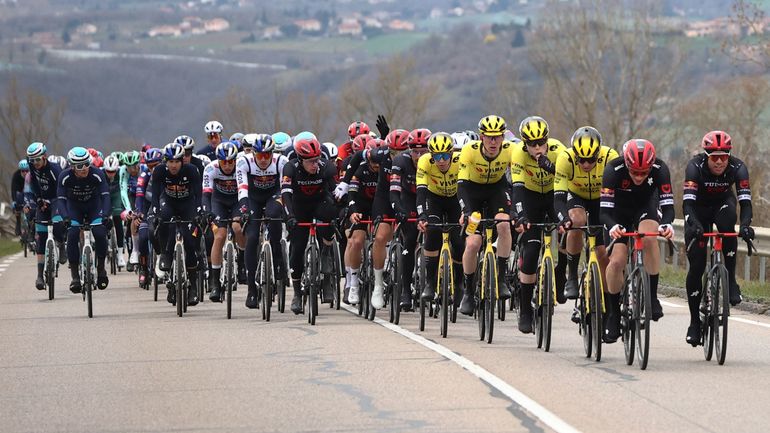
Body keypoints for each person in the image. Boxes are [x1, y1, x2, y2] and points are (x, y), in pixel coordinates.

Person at [682, 130, 754, 346]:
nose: (720, 162)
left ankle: (731, 281)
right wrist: (693, 224)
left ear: (729, 155)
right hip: (698, 211)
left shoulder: (738, 168)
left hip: (723, 205)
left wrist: (747, 225)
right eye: (715, 157)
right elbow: (687, 204)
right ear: (706, 155)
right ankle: (695, 323)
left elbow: (746, 203)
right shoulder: (695, 167)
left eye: (724, 156)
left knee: (727, 224)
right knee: (696, 265)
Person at [601, 138, 674, 343]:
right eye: (634, 172)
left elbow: (668, 208)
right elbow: (604, 212)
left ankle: (652, 297)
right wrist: (613, 226)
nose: (639, 177)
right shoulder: (613, 170)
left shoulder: (660, 169)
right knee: (616, 262)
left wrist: (666, 225)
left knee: (650, 238)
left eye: (644, 173)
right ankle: (614, 314)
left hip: (645, 208)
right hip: (618, 213)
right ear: (626, 164)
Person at [510, 116, 567, 333]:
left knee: (567, 232)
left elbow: (567, 179)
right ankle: (525, 309)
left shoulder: (558, 149)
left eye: (541, 142)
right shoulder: (518, 154)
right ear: (524, 143)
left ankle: (561, 274)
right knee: (532, 249)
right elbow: (517, 189)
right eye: (532, 144)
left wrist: (550, 166)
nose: (537, 147)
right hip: (531, 198)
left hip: (554, 197)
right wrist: (521, 215)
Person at [457, 115, 514, 317]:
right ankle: (468, 290)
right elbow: (461, 185)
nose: (493, 142)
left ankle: (501, 276)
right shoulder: (469, 151)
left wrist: (515, 209)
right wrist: (465, 212)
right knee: (472, 244)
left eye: (497, 137)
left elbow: (517, 180)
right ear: (481, 137)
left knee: (504, 225)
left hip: (496, 192)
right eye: (489, 137)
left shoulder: (510, 150)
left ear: (503, 137)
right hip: (472, 194)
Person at [554, 127, 618, 303]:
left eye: (591, 160)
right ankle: (572, 276)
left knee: (602, 253)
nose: (586, 165)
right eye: (581, 160)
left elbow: (618, 194)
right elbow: (558, 198)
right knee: (576, 221)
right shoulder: (565, 159)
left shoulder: (610, 157)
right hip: (576, 196)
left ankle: (606, 300)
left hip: (601, 199)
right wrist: (563, 218)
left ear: (598, 153)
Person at [281, 136, 338, 314]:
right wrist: (289, 215)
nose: (315, 165)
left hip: (319, 203)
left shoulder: (326, 167)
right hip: (298, 207)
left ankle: (327, 264)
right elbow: (286, 195)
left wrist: (340, 212)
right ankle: (297, 294)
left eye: (317, 160)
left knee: (330, 217)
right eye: (311, 161)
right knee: (297, 248)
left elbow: (335, 192)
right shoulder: (290, 168)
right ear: (300, 160)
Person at [236, 133, 288, 308]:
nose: (264, 159)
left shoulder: (281, 161)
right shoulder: (244, 162)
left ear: (272, 154)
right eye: (260, 155)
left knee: (274, 215)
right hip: (252, 198)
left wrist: (287, 210)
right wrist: (243, 210)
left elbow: (285, 188)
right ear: (254, 154)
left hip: (274, 195)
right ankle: (251, 289)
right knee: (251, 238)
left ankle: (279, 259)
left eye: (267, 155)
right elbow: (242, 189)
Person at [152, 143, 203, 306]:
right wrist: (155, 213)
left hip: (188, 204)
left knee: (189, 242)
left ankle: (193, 287)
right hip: (168, 202)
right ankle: (166, 254)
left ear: (182, 161)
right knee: (164, 221)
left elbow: (199, 194)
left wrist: (199, 213)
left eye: (176, 162)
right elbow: (155, 195)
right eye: (170, 161)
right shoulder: (159, 171)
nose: (173, 165)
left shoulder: (191, 170)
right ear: (165, 162)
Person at [416, 132, 463, 307]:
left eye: (445, 156)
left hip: (455, 201)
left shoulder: (460, 160)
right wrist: (422, 215)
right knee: (433, 231)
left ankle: (459, 283)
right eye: (437, 156)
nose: (441, 161)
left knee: (459, 242)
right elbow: (420, 191)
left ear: (452, 154)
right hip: (433, 199)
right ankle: (429, 282)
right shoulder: (424, 162)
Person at [57, 147, 111, 292]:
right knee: (73, 234)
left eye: (87, 164)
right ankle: (74, 276)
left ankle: (101, 269)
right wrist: (65, 217)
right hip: (74, 208)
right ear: (72, 166)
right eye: (80, 166)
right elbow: (61, 200)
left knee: (100, 233)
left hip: (94, 206)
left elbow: (105, 196)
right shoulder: (64, 176)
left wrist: (106, 215)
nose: (84, 168)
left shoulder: (97, 174)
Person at [203, 141, 246, 302]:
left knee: (238, 228)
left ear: (235, 160)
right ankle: (214, 281)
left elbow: (244, 189)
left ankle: (241, 262)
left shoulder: (241, 167)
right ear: (218, 161)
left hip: (236, 201)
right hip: (218, 202)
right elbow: (206, 194)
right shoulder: (210, 168)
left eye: (230, 162)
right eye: (224, 162)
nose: (227, 166)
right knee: (219, 236)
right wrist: (207, 211)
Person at [11, 159, 28, 236]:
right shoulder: (16, 175)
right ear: (20, 171)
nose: (25, 173)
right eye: (23, 171)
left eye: (26, 171)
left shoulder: (32, 175)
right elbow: (14, 190)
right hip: (20, 192)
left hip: (29, 192)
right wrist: (14, 201)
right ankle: (18, 223)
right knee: (16, 204)